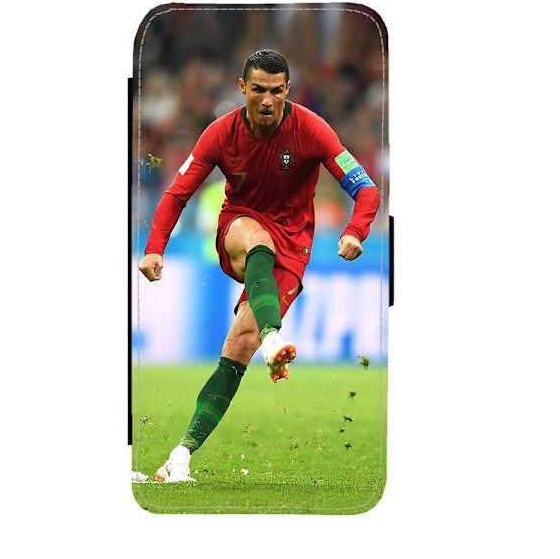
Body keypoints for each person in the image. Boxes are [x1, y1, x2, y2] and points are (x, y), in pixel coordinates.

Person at [139, 49, 380, 482]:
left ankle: (180, 456)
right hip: (240, 226)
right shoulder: (220, 134)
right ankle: (274, 338)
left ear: (287, 89)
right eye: (258, 90)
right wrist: (155, 247)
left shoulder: (312, 129)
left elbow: (366, 190)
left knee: (239, 346)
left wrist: (355, 231)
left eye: (276, 91)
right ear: (242, 88)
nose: (267, 100)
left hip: (293, 246)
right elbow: (177, 194)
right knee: (256, 241)